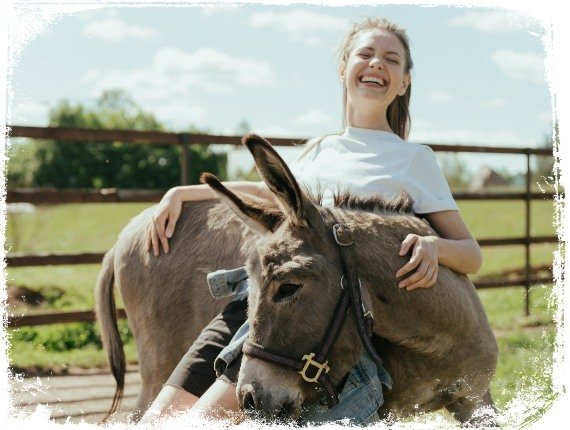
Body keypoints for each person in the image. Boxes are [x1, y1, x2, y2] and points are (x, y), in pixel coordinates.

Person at [140, 17, 482, 425]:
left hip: (307, 319)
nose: (376, 64)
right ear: (343, 69)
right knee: (160, 418)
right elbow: (272, 195)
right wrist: (183, 193)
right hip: (256, 302)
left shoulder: (414, 160)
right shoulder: (319, 149)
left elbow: (471, 255)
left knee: (203, 420)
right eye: (366, 54)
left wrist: (434, 247)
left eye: (391, 59)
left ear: (404, 82)